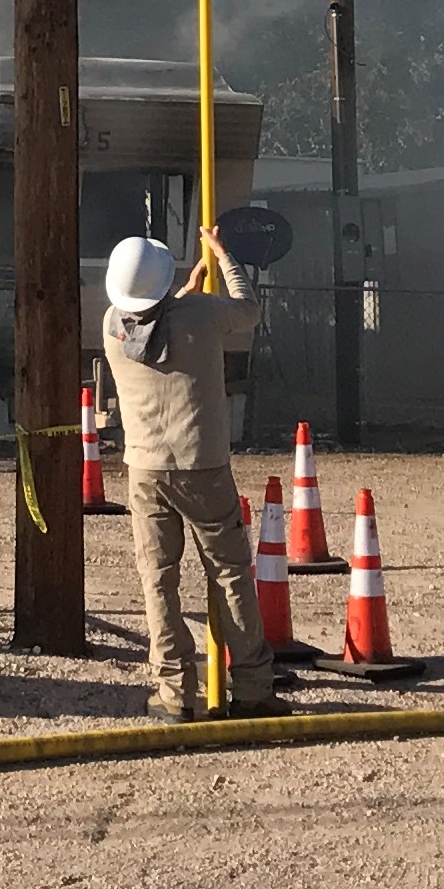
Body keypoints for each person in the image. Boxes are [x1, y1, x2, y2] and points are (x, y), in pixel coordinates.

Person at [101, 225, 283, 722]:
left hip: (145, 469)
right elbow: (247, 310)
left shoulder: (113, 325)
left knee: (158, 579)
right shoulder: (201, 315)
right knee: (229, 574)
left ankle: (174, 692)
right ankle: (253, 688)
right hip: (201, 465)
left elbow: (155, 324)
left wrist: (182, 293)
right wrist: (223, 256)